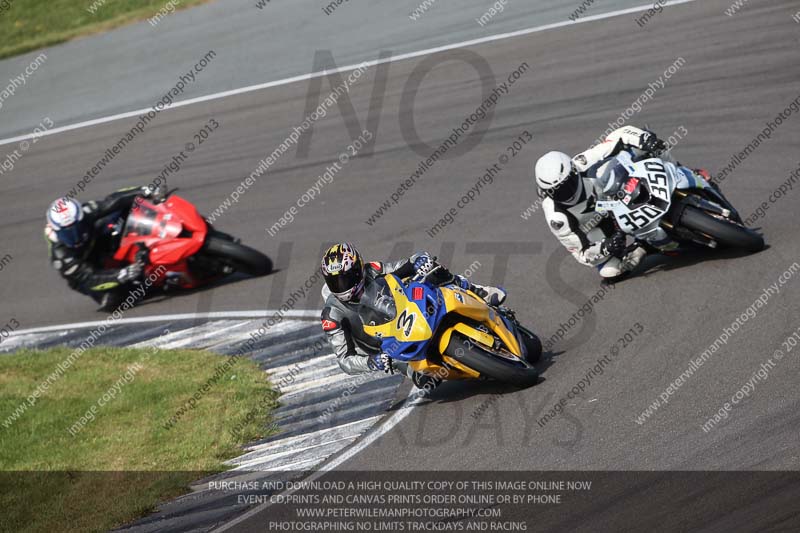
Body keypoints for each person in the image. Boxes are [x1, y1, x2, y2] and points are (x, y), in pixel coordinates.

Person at [534, 126, 717, 280]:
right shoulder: (557, 218)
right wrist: (605, 248)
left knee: (647, 146)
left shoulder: (582, 162)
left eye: (567, 185)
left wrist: (643, 139)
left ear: (574, 171)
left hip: (612, 192)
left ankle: (682, 170)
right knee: (610, 271)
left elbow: (617, 137)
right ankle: (644, 246)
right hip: (600, 223)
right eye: (556, 191)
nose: (565, 193)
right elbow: (581, 254)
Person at [319, 243, 506, 387]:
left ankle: (477, 290)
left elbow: (403, 266)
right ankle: (465, 366)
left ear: (358, 268)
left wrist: (418, 262)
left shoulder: (371, 270)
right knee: (426, 382)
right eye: (335, 281)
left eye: (345, 278)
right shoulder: (331, 315)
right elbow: (344, 360)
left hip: (405, 310)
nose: (342, 285)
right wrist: (372, 362)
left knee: (433, 272)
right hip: (387, 348)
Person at [45, 184, 165, 310]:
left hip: (95, 242)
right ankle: (145, 279)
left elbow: (112, 201)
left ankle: (153, 231)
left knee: (121, 211)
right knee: (112, 300)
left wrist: (145, 191)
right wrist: (121, 274)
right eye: (67, 232)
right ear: (55, 230)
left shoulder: (86, 212)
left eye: (76, 228)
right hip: (87, 273)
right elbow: (90, 278)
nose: (74, 236)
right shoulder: (61, 256)